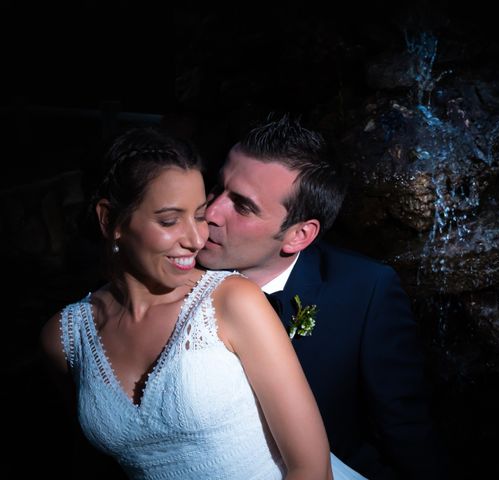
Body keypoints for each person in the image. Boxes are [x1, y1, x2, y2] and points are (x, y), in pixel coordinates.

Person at [39, 125, 362, 479]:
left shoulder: (232, 301)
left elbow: (311, 469)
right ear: (109, 220)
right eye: (169, 220)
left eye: (197, 214)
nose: (197, 238)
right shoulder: (63, 338)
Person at [197, 115, 447, 479]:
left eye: (243, 205)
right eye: (216, 188)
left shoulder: (364, 292)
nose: (211, 212)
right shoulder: (170, 273)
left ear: (298, 235)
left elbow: (404, 430)